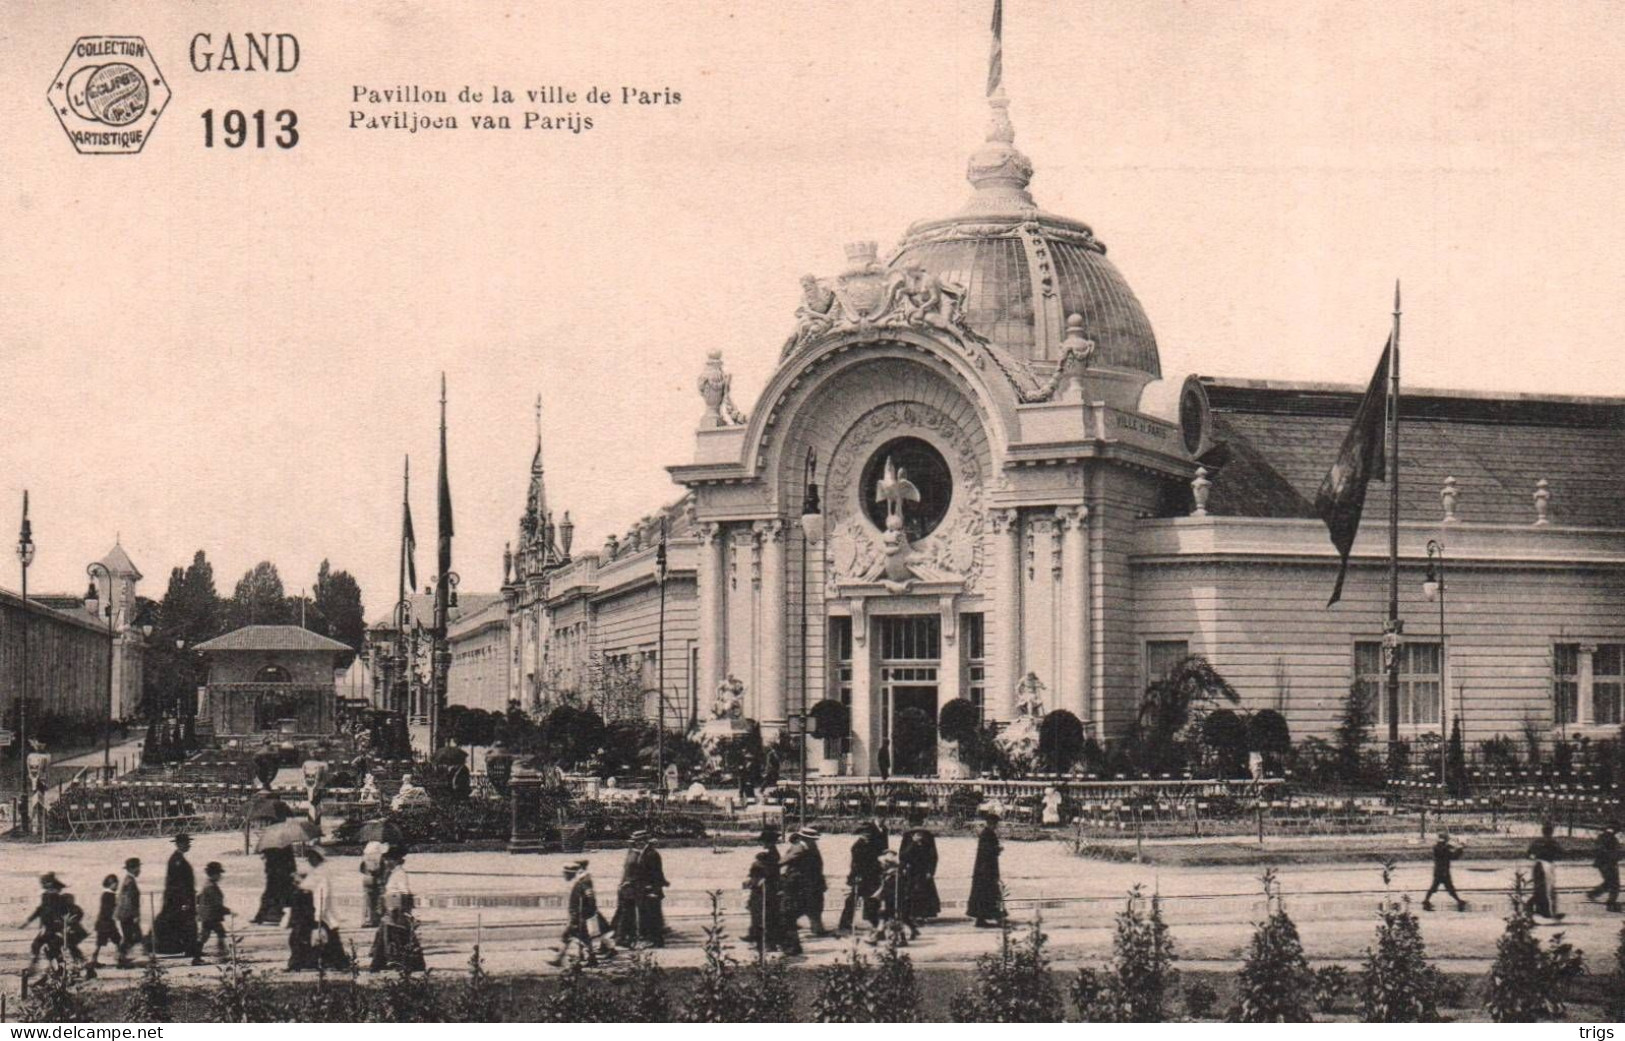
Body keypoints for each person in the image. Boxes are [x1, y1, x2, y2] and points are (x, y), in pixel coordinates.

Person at [744, 827, 800, 954]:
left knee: (768, 916)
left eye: (765, 841)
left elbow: (770, 870)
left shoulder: (772, 854)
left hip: (769, 888)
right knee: (766, 915)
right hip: (769, 886)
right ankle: (765, 940)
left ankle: (770, 944)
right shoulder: (771, 852)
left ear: (769, 841)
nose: (763, 843)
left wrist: (759, 866)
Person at [550, 860, 615, 967]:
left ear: (571, 873)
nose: (564, 877)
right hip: (578, 915)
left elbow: (590, 899)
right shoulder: (580, 881)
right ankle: (586, 958)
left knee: (571, 937)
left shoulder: (583, 882)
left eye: (565, 874)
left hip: (580, 916)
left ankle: (560, 959)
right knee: (578, 937)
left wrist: (587, 915)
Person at [370, 847, 424, 972]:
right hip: (391, 908)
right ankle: (380, 963)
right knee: (385, 935)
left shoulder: (400, 874)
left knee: (395, 936)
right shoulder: (394, 873)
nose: (386, 862)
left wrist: (396, 909)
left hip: (395, 910)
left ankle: (396, 963)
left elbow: (404, 892)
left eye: (388, 860)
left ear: (394, 860)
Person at [300, 847, 349, 970]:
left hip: (323, 911)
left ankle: (339, 963)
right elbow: (307, 885)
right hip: (321, 911)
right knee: (329, 938)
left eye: (311, 858)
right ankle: (333, 962)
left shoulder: (322, 873)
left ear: (316, 858)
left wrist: (319, 913)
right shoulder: (317, 871)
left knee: (330, 938)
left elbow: (323, 894)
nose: (309, 861)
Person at [154, 832, 200, 958]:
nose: (189, 845)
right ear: (180, 844)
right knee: (187, 924)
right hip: (178, 900)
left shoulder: (178, 859)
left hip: (179, 899)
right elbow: (179, 883)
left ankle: (191, 949)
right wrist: (185, 901)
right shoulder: (177, 861)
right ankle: (191, 950)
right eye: (187, 843)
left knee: (185, 924)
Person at [838, 821, 884, 934]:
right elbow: (855, 864)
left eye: (869, 832)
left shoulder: (874, 844)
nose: (867, 834)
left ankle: (875, 922)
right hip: (860, 877)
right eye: (864, 833)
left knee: (872, 900)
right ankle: (845, 924)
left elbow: (878, 859)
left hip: (872, 877)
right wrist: (855, 876)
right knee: (852, 901)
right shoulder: (858, 846)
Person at [782, 826, 828, 936]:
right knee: (802, 906)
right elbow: (784, 861)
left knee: (815, 905)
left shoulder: (810, 847)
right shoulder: (799, 848)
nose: (814, 841)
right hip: (802, 882)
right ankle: (788, 926)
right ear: (804, 838)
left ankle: (817, 928)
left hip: (813, 881)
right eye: (812, 839)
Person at [898, 819, 941, 926]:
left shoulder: (929, 837)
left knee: (924, 892)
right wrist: (913, 843)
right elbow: (902, 855)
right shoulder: (907, 837)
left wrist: (930, 871)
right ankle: (912, 915)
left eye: (920, 831)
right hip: (911, 870)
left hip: (924, 870)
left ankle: (923, 915)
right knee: (911, 892)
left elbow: (933, 856)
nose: (919, 833)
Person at [967, 813, 1005, 927]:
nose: (996, 826)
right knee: (988, 892)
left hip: (984, 868)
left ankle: (983, 918)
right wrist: (998, 849)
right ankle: (991, 918)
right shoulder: (988, 834)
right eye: (995, 824)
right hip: (986, 869)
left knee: (984, 893)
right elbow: (987, 851)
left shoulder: (987, 833)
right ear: (992, 823)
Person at [612, 832, 647, 948]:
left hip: (626, 887)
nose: (640, 843)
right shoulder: (637, 856)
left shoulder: (631, 854)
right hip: (630, 888)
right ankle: (624, 938)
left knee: (624, 913)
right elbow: (636, 873)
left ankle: (620, 936)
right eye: (638, 841)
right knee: (628, 914)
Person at [636, 834, 670, 947]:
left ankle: (657, 941)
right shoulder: (645, 852)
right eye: (636, 841)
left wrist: (654, 890)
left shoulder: (652, 854)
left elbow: (657, 873)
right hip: (645, 890)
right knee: (649, 916)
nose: (637, 843)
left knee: (653, 916)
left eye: (639, 840)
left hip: (651, 891)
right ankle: (652, 939)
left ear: (644, 841)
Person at [1423, 830, 1468, 912]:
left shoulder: (1439, 847)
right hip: (1443, 872)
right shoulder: (1441, 848)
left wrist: (1459, 849)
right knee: (1447, 887)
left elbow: (1452, 855)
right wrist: (1459, 849)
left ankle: (1426, 900)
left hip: (1440, 871)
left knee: (1437, 887)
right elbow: (1452, 856)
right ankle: (1458, 901)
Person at [253, 844, 299, 925]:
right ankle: (264, 916)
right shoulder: (285, 845)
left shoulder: (274, 845)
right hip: (279, 875)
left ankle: (263, 916)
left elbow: (289, 861)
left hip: (277, 875)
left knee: (271, 896)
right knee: (278, 896)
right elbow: (291, 862)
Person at [1527, 820, 1564, 920]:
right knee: (1548, 889)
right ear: (1551, 831)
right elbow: (1561, 853)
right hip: (1547, 865)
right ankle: (1548, 912)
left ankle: (1537, 909)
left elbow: (1529, 853)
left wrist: (1534, 856)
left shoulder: (1537, 841)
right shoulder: (1552, 842)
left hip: (1538, 864)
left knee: (1540, 889)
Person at [116, 857, 149, 968]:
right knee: (130, 936)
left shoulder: (128, 880)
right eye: (138, 867)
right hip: (128, 914)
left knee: (133, 936)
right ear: (133, 868)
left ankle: (124, 957)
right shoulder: (130, 882)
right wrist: (135, 915)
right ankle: (122, 958)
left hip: (124, 913)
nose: (140, 870)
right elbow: (130, 900)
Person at [196, 862, 231, 964]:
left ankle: (197, 957)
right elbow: (216, 904)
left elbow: (199, 899)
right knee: (219, 933)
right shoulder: (210, 887)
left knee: (205, 936)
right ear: (213, 874)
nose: (220, 876)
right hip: (211, 916)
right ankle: (222, 955)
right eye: (218, 874)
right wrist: (227, 911)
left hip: (208, 915)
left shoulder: (208, 885)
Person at [89, 873, 121, 973]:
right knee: (118, 940)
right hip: (107, 923)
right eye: (115, 884)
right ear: (110, 884)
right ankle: (121, 959)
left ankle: (94, 960)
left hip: (103, 923)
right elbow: (108, 909)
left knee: (100, 943)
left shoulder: (106, 894)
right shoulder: (109, 895)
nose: (117, 886)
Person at [1587, 822, 1621, 912]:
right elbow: (1613, 852)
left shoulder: (1602, 837)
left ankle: (1593, 893)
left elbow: (1599, 849)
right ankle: (1611, 904)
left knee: (1609, 882)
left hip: (1601, 863)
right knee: (1614, 884)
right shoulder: (1612, 839)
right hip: (1609, 863)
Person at [360, 838, 390, 928]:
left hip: (366, 879)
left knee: (367, 900)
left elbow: (361, 869)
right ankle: (377, 918)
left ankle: (367, 920)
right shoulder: (380, 856)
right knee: (379, 899)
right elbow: (381, 869)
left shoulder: (366, 855)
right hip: (377, 880)